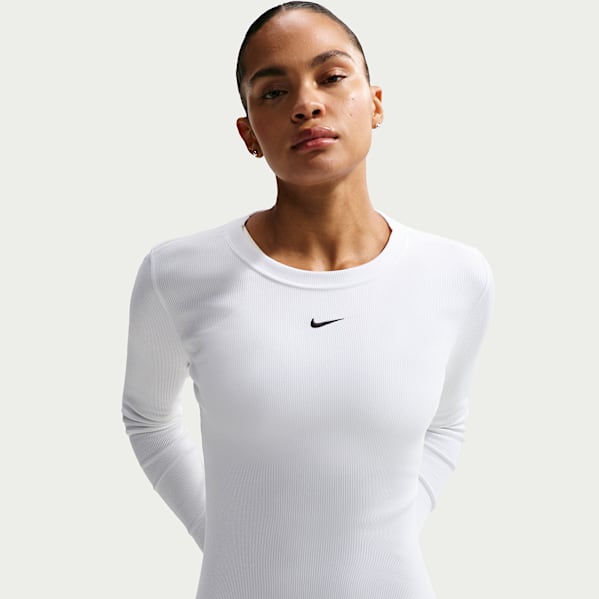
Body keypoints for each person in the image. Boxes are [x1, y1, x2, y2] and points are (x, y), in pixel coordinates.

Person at [121, 3, 495, 598]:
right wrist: (220, 537)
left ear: (375, 103)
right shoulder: (180, 274)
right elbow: (147, 418)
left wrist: (385, 542)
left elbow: (447, 423)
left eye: (332, 76)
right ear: (248, 132)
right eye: (273, 92)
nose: (306, 104)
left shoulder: (455, 274)